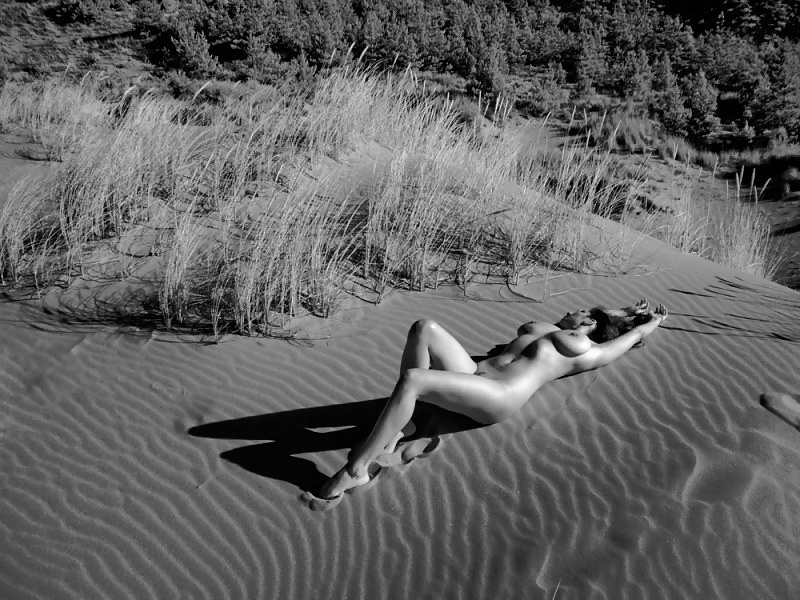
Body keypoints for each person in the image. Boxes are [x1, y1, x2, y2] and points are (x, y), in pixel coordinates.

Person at [314, 299, 668, 502]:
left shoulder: (583, 348)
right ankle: (399, 422)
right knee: (424, 327)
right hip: (473, 373)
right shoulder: (554, 331)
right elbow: (600, 318)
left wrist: (645, 325)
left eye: (578, 311)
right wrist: (625, 311)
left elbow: (612, 345)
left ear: (588, 322)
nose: (569, 311)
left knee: (413, 379)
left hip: (500, 395)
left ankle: (357, 470)